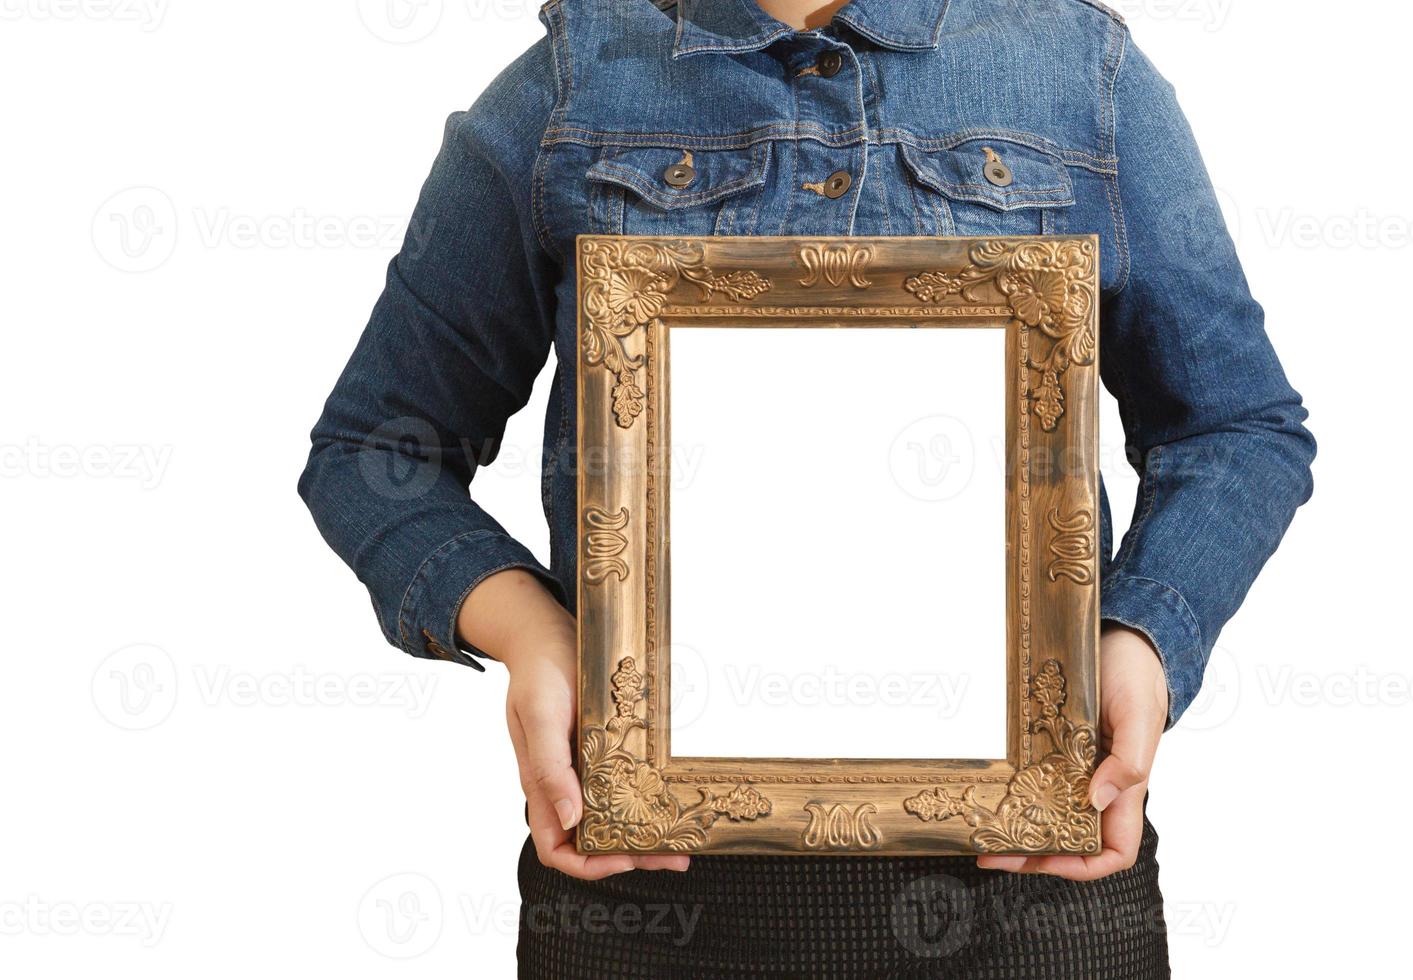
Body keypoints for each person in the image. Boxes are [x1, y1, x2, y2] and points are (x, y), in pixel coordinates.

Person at [300, 0, 1315, 974]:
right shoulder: (570, 88)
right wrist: (534, 636)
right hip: (651, 895)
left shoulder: (1082, 76)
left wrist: (1141, 638)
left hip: (1037, 884)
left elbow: (1236, 424)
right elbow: (374, 451)